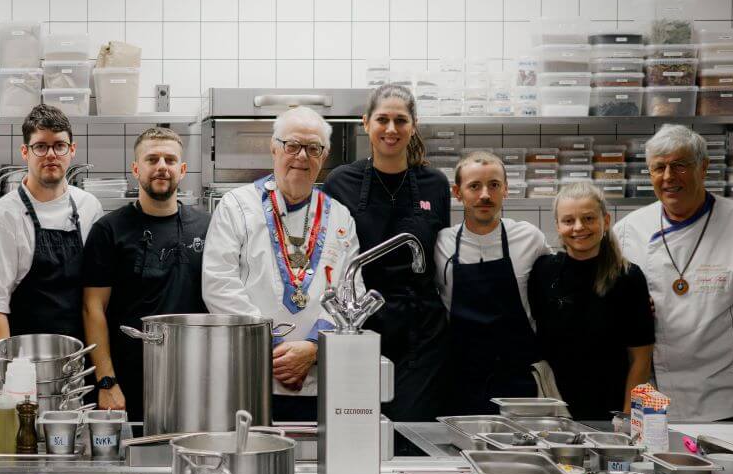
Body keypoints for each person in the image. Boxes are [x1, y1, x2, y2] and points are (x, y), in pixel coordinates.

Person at [203, 106, 358, 422]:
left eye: (313, 148)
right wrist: (272, 348)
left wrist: (314, 346)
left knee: (312, 464)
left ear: (324, 156)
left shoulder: (340, 216)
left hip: (319, 378)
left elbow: (352, 291)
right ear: (274, 148)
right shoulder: (237, 206)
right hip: (249, 377)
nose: (302, 156)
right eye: (292, 146)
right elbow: (218, 283)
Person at [614, 124, 733, 422]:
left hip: (727, 399)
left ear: (704, 168)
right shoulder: (629, 231)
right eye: (659, 168)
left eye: (680, 165)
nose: (669, 177)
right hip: (653, 400)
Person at [323, 84, 450, 422]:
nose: (391, 130)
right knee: (359, 424)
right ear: (366, 123)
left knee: (413, 429)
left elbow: (441, 254)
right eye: (382, 120)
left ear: (414, 125)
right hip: (363, 323)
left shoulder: (435, 184)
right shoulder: (340, 181)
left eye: (400, 120)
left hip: (421, 329)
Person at [82, 126, 210, 422]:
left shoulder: (207, 227)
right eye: (152, 160)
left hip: (194, 375)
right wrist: (106, 381)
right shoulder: (109, 230)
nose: (162, 167)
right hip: (128, 380)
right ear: (136, 169)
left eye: (170, 160)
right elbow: (93, 308)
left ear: (183, 169)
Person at [433, 151, 551, 414]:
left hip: (518, 381)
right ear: (458, 192)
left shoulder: (530, 239)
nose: (485, 195)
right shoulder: (442, 242)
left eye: (494, 185)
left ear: (506, 190)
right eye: (474, 186)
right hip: (461, 380)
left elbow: (560, 287)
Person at [0, 105, 103, 341]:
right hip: (22, 356)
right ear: (25, 152)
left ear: (72, 150)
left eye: (59, 145)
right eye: (40, 146)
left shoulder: (89, 206)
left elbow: (94, 295)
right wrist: (8, 372)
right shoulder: (2, 216)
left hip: (77, 355)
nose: (51, 154)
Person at [530, 181, 654, 419]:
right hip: (552, 408)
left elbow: (641, 359)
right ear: (557, 225)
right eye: (568, 220)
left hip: (611, 408)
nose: (579, 227)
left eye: (588, 219)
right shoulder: (543, 271)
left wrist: (627, 419)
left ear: (605, 221)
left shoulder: (628, 277)